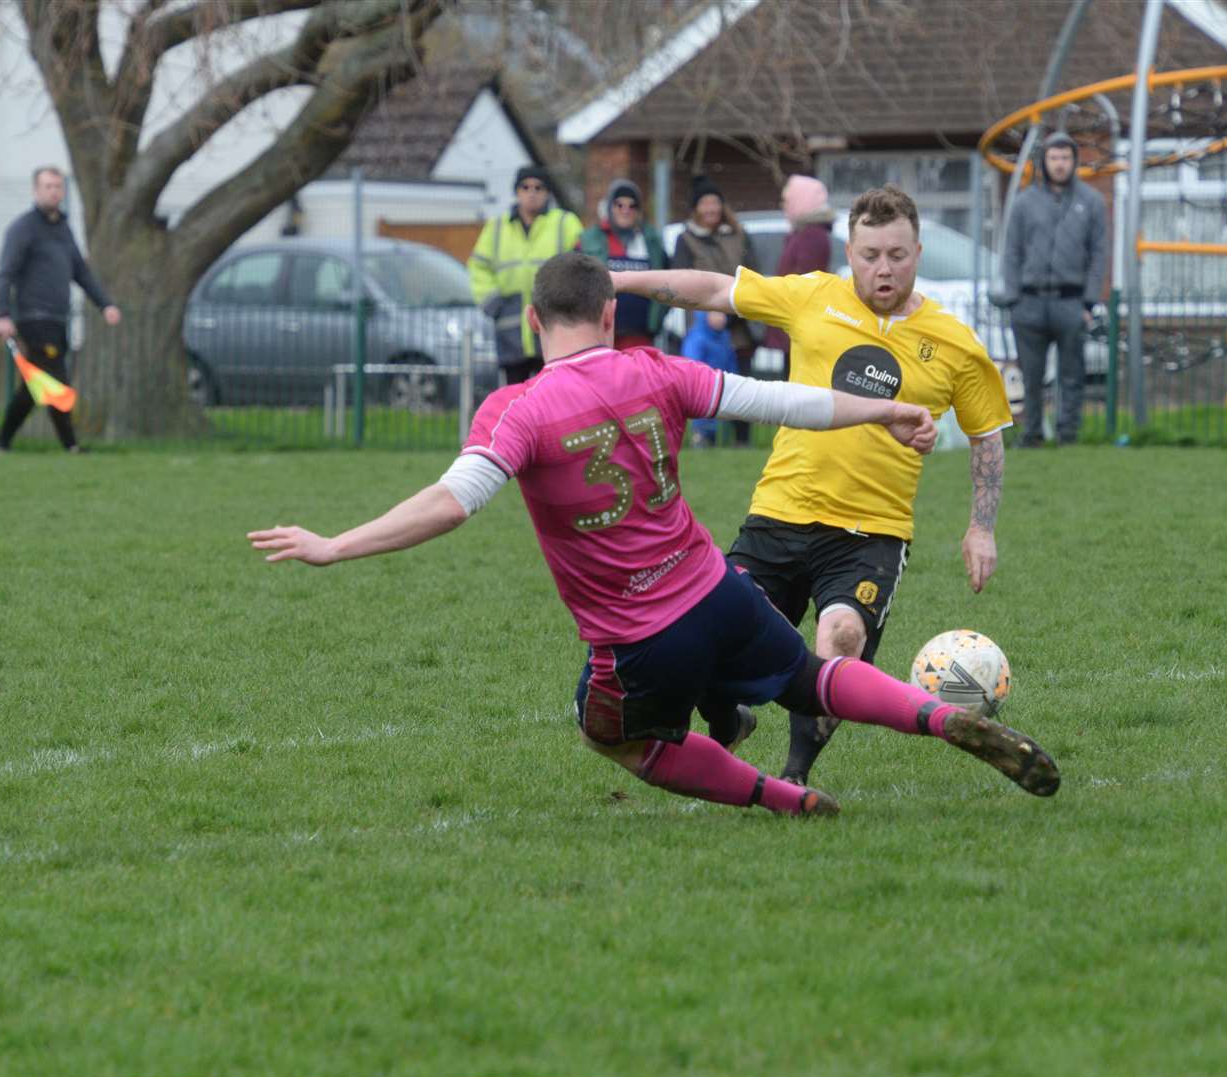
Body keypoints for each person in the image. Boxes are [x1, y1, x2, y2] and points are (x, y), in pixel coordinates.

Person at [248, 252, 1059, 816]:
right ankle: (934, 716)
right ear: (609, 314)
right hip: (718, 591)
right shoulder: (656, 370)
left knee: (614, 740)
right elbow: (784, 401)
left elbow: (451, 503)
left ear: (534, 320)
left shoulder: (517, 410)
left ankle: (789, 799)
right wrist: (886, 407)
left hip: (637, 640)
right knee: (811, 677)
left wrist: (334, 544)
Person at [614, 184, 1015, 787]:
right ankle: (728, 718)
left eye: (898, 255)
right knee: (709, 638)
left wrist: (980, 527)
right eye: (871, 254)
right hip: (779, 513)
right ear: (848, 252)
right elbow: (714, 288)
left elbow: (987, 436)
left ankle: (796, 777)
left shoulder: (955, 342)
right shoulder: (811, 297)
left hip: (870, 533)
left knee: (841, 638)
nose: (884, 268)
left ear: (919, 252)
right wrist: (620, 284)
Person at [0, 166, 120, 454]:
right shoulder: (22, 229)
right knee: (54, 381)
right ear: (36, 190)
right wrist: (1, 314)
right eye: (47, 186)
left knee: (38, 387)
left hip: (57, 320)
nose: (54, 191)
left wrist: (105, 304)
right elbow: (5, 274)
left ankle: (1, 444)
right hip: (33, 319)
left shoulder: (63, 229)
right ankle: (70, 445)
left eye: (58, 186)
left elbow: (81, 272)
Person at [995, 131, 1108, 448]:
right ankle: (1031, 433)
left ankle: (1067, 433)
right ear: (1044, 162)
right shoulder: (1024, 203)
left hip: (1070, 301)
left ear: (1075, 161)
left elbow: (1099, 254)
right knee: (1031, 375)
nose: (1060, 164)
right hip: (1029, 302)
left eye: (1066, 158)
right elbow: (1012, 252)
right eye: (1054, 158)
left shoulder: (1092, 201)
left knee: (1072, 373)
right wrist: (1014, 297)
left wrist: (1088, 303)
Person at [469, 164, 583, 384]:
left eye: (539, 187)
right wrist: (492, 302)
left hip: (552, 324)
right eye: (526, 187)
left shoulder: (565, 223)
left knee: (551, 396)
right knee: (515, 398)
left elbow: (579, 266)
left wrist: (566, 302)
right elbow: (478, 267)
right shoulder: (496, 226)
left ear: (547, 192)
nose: (532, 193)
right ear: (517, 191)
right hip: (511, 329)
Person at [671, 175, 758, 445]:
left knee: (742, 382)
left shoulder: (738, 235)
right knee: (706, 382)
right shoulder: (686, 240)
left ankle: (742, 439)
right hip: (703, 325)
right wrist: (706, 310)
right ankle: (704, 435)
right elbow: (680, 280)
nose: (711, 209)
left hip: (739, 322)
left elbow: (754, 274)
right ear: (696, 208)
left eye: (715, 203)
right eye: (705, 203)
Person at [579, 178, 668, 349]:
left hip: (642, 337)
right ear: (610, 208)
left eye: (631, 206)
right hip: (601, 337)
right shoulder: (590, 239)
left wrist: (657, 320)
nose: (625, 211)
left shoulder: (652, 241)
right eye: (619, 205)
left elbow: (667, 282)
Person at [765, 174, 836, 379]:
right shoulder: (804, 232)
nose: (783, 206)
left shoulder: (812, 235)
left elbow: (805, 281)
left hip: (799, 323)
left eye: (787, 201)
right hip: (795, 321)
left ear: (801, 201)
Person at [682, 309, 737, 447]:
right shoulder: (697, 337)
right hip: (703, 385)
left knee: (720, 418)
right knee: (702, 416)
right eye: (716, 314)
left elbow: (731, 360)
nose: (721, 318)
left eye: (723, 314)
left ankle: (718, 441)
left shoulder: (725, 337)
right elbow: (692, 362)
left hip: (723, 384)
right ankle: (699, 438)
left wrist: (733, 377)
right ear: (705, 316)